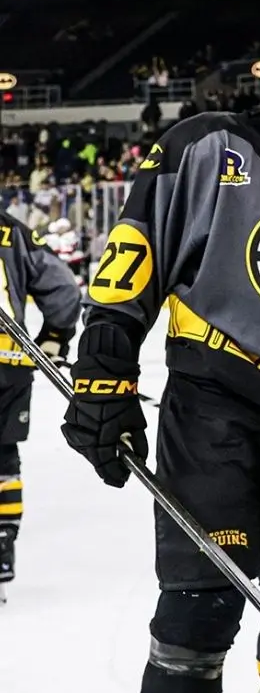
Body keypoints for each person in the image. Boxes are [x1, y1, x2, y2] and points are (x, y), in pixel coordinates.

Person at [62, 10, 260, 692]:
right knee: (201, 605)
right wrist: (103, 378)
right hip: (215, 410)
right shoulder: (203, 145)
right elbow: (131, 263)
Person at [0, 213, 83, 602]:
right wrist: (54, 337)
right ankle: (2, 544)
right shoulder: (12, 230)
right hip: (8, 366)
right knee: (3, 458)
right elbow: (64, 288)